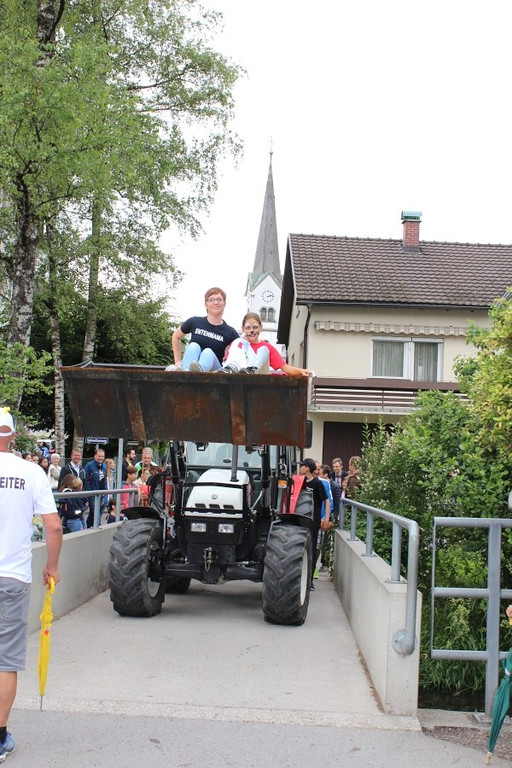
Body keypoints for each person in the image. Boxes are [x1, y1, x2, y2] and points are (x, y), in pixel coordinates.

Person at [0, 407, 62, 761]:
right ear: (11, 436)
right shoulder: (30, 472)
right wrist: (51, 566)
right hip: (13, 576)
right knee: (5, 660)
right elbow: (53, 526)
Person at [166, 286, 240, 372]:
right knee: (193, 346)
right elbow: (176, 336)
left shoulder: (230, 332)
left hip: (214, 371)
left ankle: (199, 372)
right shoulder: (194, 322)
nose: (216, 302)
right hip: (190, 367)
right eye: (211, 299)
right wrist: (177, 361)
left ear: (224, 304)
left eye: (219, 299)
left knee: (207, 352)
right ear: (206, 304)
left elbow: (241, 350)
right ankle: (186, 372)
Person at [220, 312, 313, 376]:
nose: (251, 331)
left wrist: (301, 371)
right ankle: (235, 370)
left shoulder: (266, 346)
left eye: (255, 327)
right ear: (243, 329)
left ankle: (252, 369)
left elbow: (285, 368)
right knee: (238, 342)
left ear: (261, 328)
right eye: (248, 328)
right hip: (240, 374)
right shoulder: (238, 344)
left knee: (264, 349)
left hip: (259, 376)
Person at [298, 458, 329, 590]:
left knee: (311, 550)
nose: (300, 468)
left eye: (302, 466)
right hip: (301, 520)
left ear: (307, 469)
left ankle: (309, 581)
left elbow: (326, 500)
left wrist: (326, 518)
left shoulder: (317, 484)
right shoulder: (300, 482)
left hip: (313, 521)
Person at [83, 448, 108, 528]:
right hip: (92, 493)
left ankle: (88, 525)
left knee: (99, 510)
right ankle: (98, 527)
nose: (101, 458)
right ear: (95, 456)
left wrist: (105, 493)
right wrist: (88, 493)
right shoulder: (89, 466)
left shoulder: (104, 466)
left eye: (102, 456)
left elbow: (104, 480)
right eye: (99, 456)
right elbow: (86, 480)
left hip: (102, 493)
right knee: (95, 511)